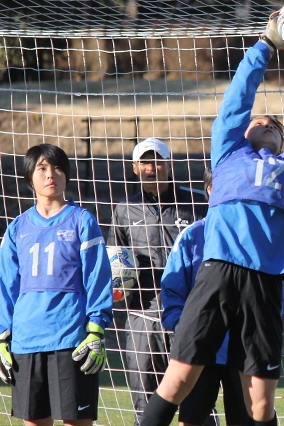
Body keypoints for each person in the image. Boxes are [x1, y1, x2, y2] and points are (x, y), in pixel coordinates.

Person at [139, 10, 284, 426]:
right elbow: (236, 102)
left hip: (265, 282)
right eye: (257, 122)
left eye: (274, 126)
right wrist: (264, 46)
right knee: (177, 381)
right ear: (242, 134)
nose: (264, 122)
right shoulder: (228, 154)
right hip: (219, 272)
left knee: (260, 406)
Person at [0, 143, 113, 426]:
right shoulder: (17, 228)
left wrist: (95, 330)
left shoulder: (82, 221)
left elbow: (97, 277)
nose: (51, 175)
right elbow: (6, 286)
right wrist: (2, 338)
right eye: (42, 168)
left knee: (76, 422)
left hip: (71, 340)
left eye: (58, 168)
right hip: (26, 342)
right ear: (29, 177)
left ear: (66, 176)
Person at [108, 137, 207, 426]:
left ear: (170, 164)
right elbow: (115, 261)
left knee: (198, 406)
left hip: (190, 315)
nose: (153, 167)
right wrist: (120, 284)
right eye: (145, 162)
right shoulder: (124, 209)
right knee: (147, 407)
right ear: (135, 168)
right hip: (142, 316)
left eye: (158, 160)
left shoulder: (197, 201)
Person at [161, 167, 253, 426]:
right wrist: (182, 325)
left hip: (242, 349)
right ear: (209, 191)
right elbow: (173, 291)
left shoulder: (253, 240)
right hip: (200, 348)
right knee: (191, 420)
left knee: (248, 419)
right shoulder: (192, 236)